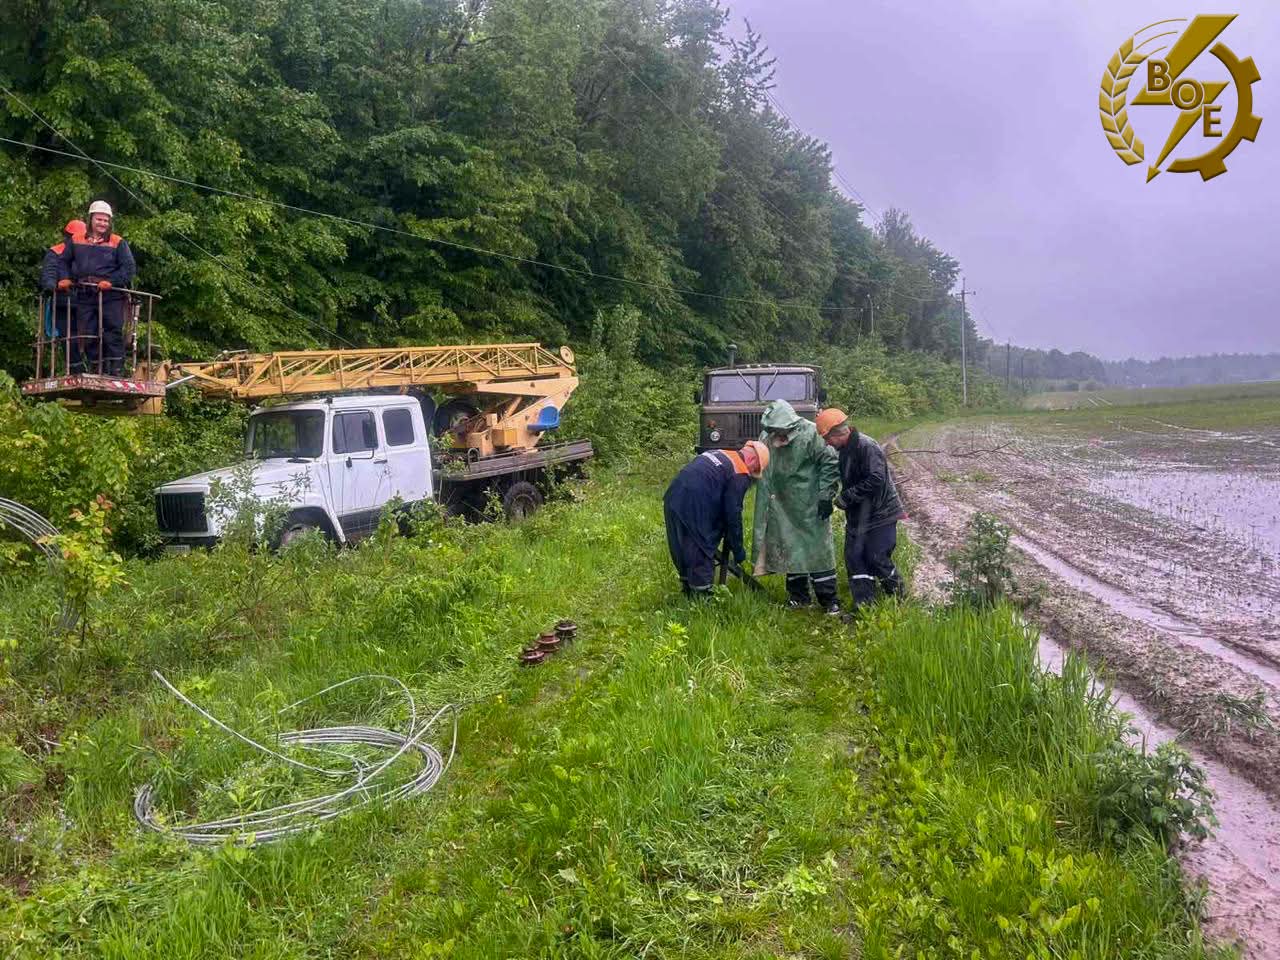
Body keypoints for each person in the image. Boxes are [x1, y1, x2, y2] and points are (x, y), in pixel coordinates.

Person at [751, 399, 842, 613]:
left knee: (818, 550)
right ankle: (799, 597)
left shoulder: (811, 434)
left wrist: (825, 495)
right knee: (791, 548)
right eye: (773, 430)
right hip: (781, 503)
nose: (777, 435)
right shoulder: (766, 436)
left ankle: (829, 599)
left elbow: (830, 462)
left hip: (809, 502)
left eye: (780, 430)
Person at [817, 407, 906, 609]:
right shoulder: (845, 451)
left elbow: (876, 478)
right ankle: (864, 605)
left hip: (881, 514)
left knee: (876, 557)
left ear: (837, 433)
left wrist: (848, 496)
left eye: (827, 438)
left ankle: (899, 594)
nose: (826, 443)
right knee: (854, 557)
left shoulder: (867, 446)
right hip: (859, 515)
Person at [664, 441, 769, 598]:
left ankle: (687, 590)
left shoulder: (720, 452)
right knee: (701, 547)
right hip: (695, 505)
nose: (752, 474)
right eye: (755, 471)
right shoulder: (740, 471)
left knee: (681, 545)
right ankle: (702, 599)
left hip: (673, 499)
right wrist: (738, 550)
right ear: (753, 461)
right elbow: (733, 513)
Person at [60, 200, 136, 375]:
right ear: (91, 219)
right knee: (87, 332)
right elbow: (63, 261)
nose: (102, 223)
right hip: (85, 293)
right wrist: (64, 278)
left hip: (110, 294)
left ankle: (115, 369)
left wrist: (112, 281)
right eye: (99, 219)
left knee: (112, 330)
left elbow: (129, 268)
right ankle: (96, 366)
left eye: (106, 220)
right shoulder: (76, 239)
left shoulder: (117, 242)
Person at [40, 220, 85, 342]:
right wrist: (51, 286)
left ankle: (87, 360)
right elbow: (50, 272)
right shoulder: (56, 251)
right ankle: (75, 361)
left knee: (88, 337)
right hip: (63, 301)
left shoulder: (87, 253)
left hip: (85, 302)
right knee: (68, 337)